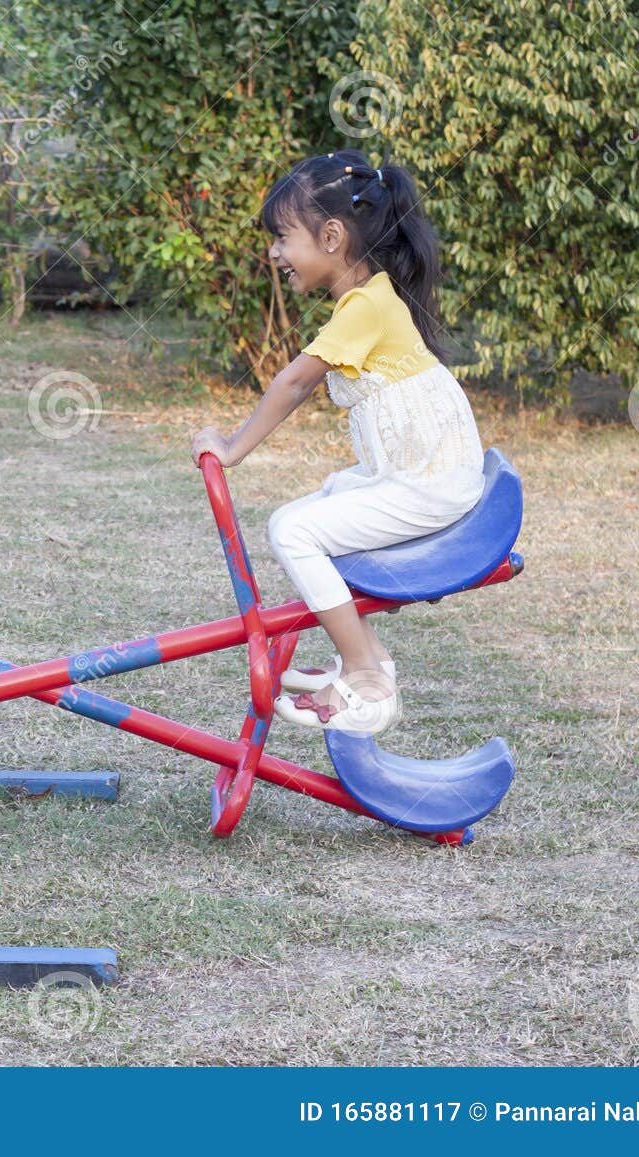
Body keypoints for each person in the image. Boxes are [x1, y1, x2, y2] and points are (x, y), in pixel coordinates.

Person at [191, 150, 485, 735]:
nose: (274, 253)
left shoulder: (366, 304)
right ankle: (370, 656)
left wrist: (231, 447)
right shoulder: (368, 299)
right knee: (319, 505)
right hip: (424, 475)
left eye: (282, 237)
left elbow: (295, 380)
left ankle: (366, 679)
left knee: (292, 530)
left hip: (429, 483)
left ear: (331, 236)